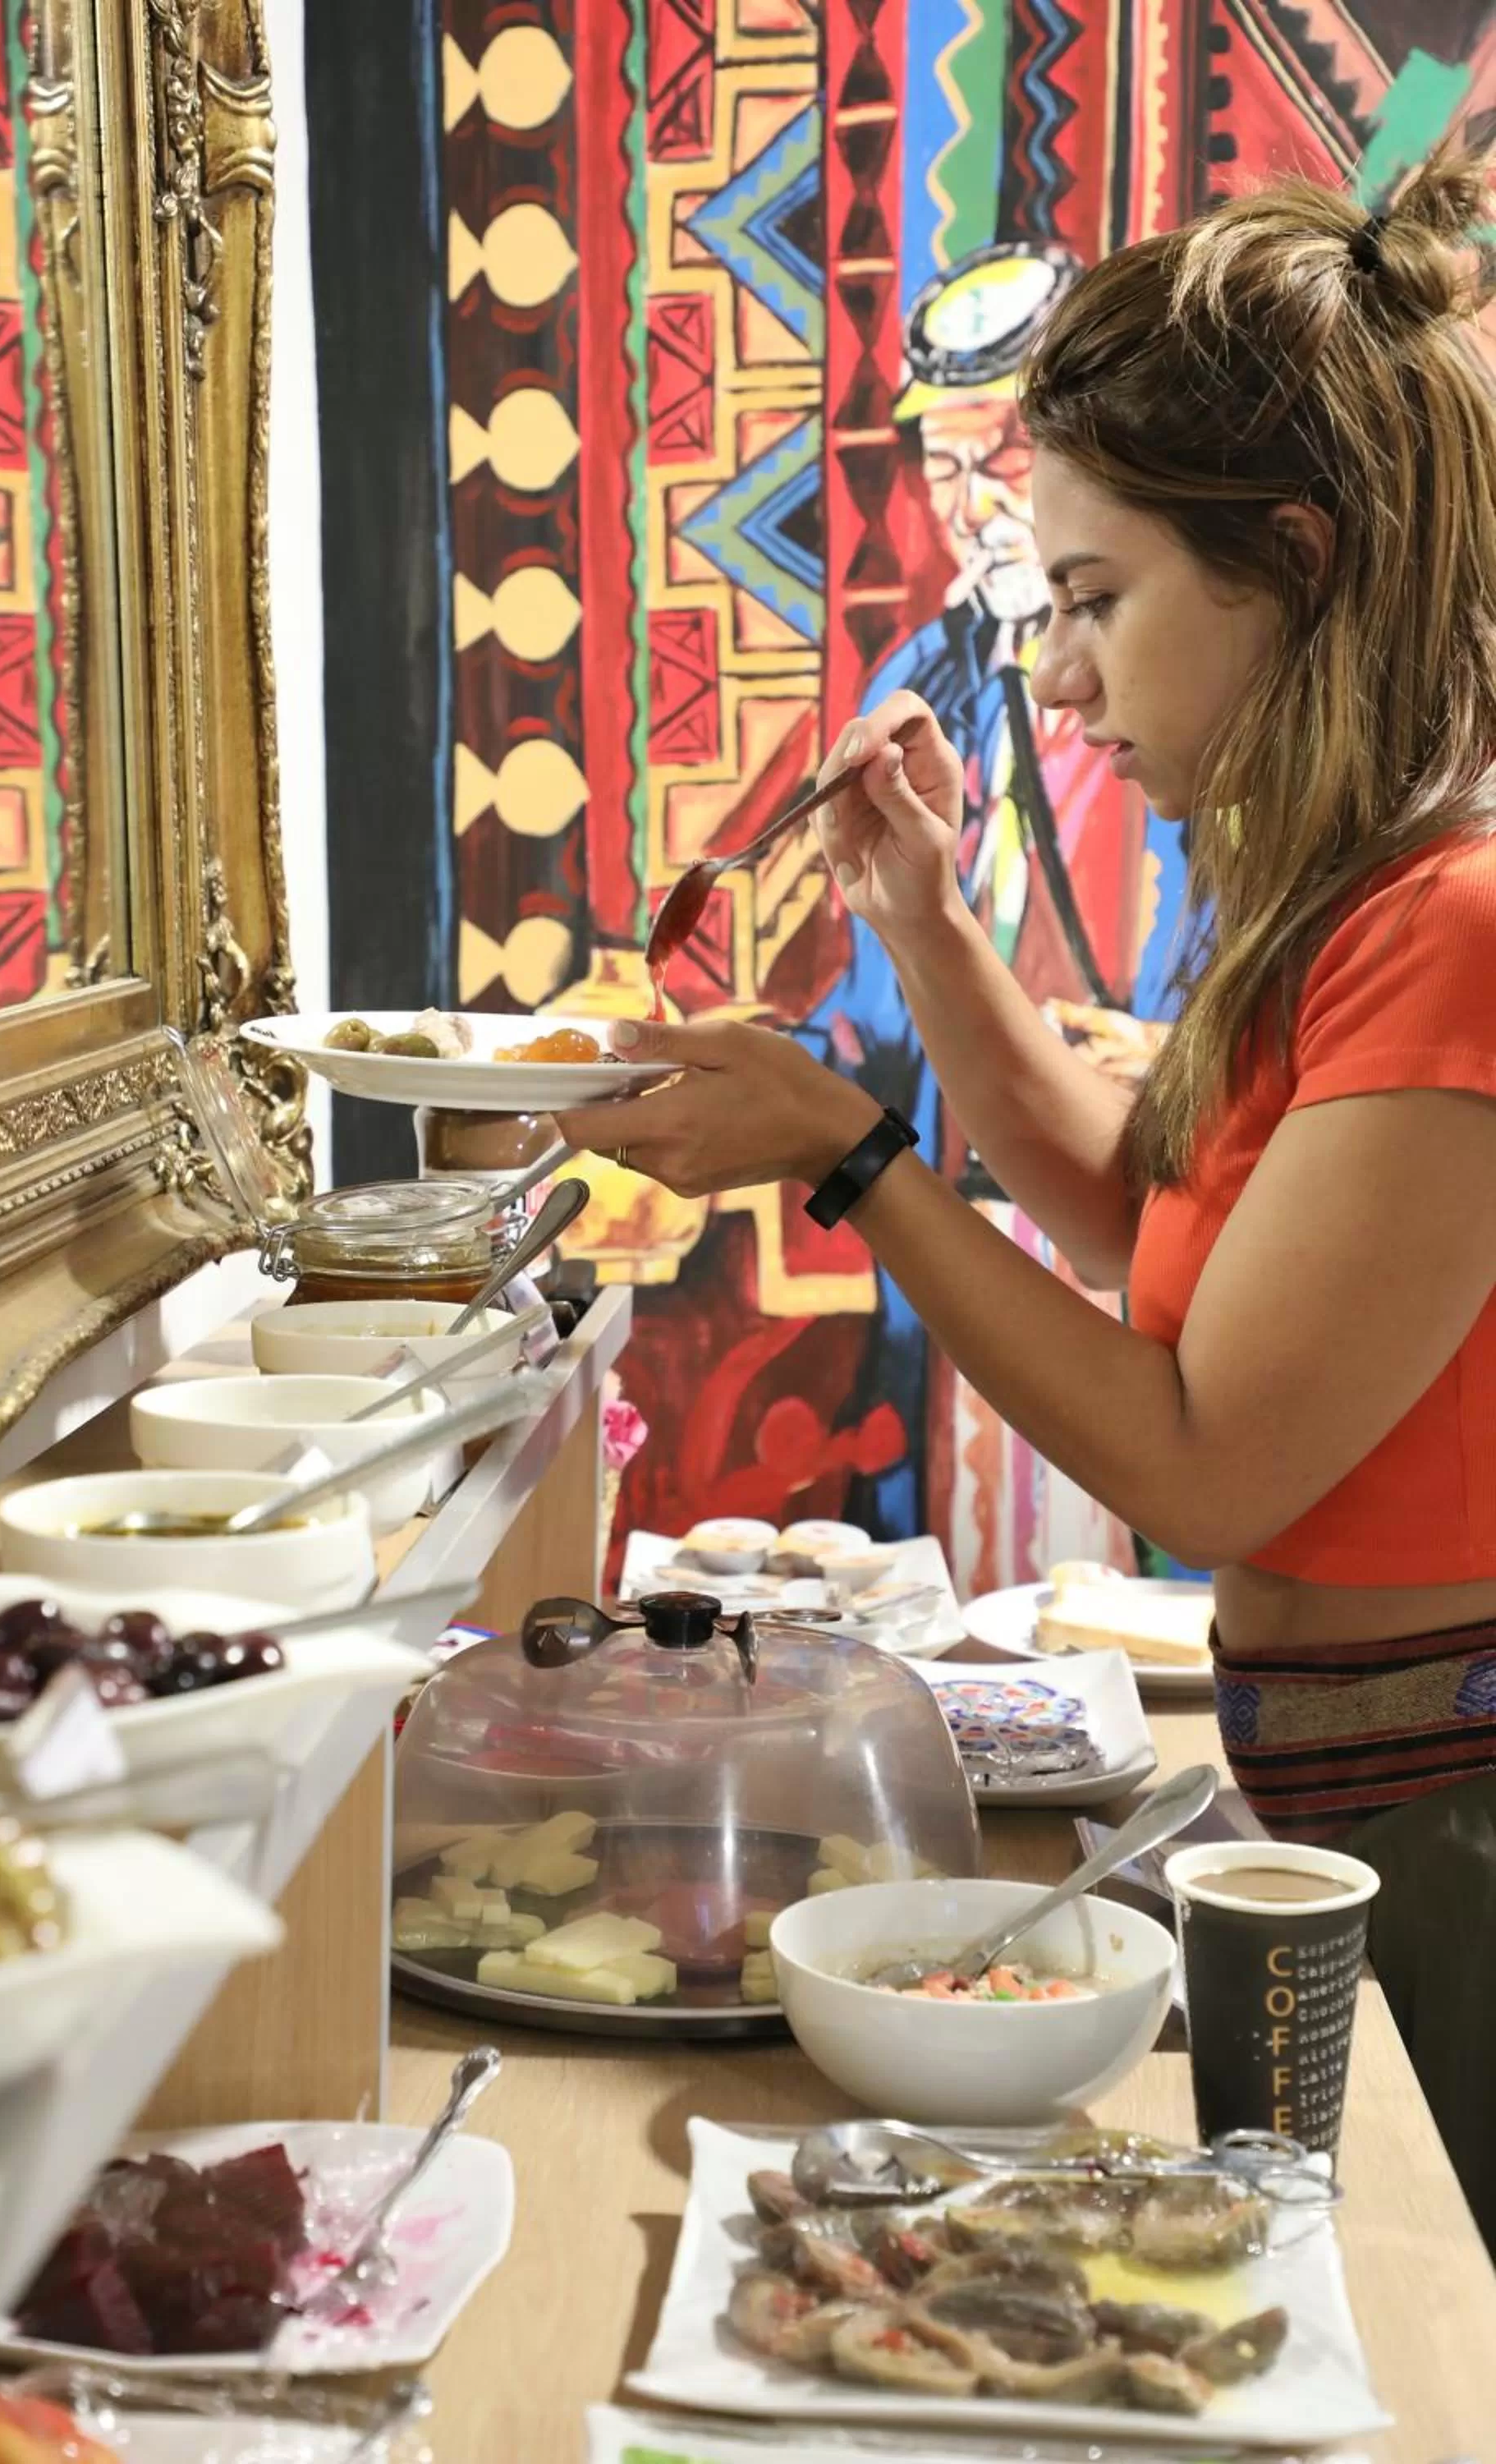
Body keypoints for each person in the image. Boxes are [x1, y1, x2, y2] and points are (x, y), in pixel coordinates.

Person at [558, 145, 1496, 2241]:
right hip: (1349, 1780)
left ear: (1293, 565)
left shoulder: (1456, 924)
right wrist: (920, 918)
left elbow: (1211, 1461)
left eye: (1095, 599)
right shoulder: (1341, 901)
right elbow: (1139, 1236)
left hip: (1445, 1817)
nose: (1055, 677)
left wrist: (849, 1159)